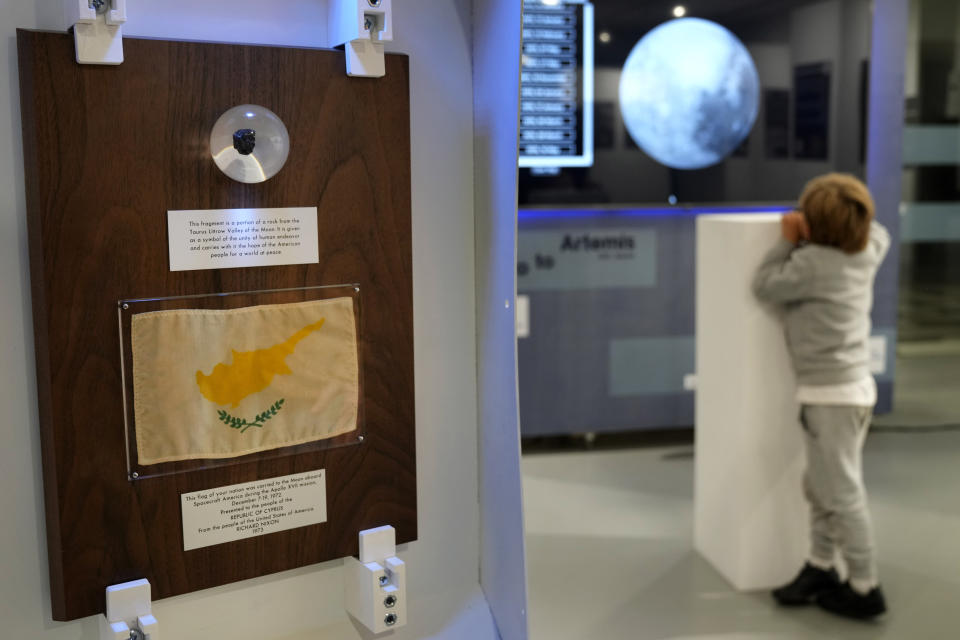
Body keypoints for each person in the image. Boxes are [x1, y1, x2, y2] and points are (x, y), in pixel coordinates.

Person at [752, 173, 891, 620]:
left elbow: (765, 284)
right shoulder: (868, 250)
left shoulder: (811, 264)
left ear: (812, 228)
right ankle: (820, 564)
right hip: (852, 392)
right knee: (822, 486)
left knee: (842, 494)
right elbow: (880, 230)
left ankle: (865, 586)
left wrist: (788, 241)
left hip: (830, 398)